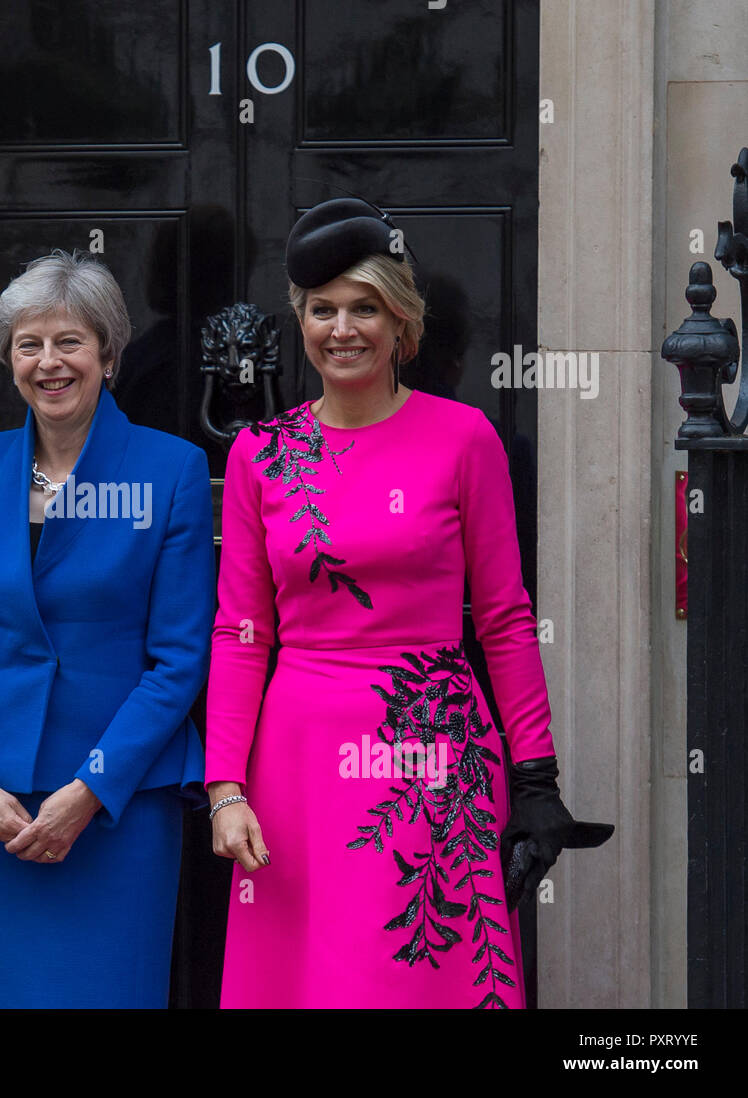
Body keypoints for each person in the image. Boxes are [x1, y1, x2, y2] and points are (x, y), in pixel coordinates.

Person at [205, 198, 611, 1008]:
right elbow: (242, 632)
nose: (342, 328)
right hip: (295, 762)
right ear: (302, 322)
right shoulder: (262, 452)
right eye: (323, 310)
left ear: (402, 325)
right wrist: (226, 789)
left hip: (432, 754)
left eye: (366, 308)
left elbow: (502, 618)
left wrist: (535, 777)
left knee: (413, 980)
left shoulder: (464, 438)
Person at [0, 250, 213, 1007]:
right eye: (29, 344)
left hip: (116, 808)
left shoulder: (171, 471)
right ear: (9, 361)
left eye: (69, 341)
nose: (49, 362)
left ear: (108, 352)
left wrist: (90, 791)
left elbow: (177, 660)